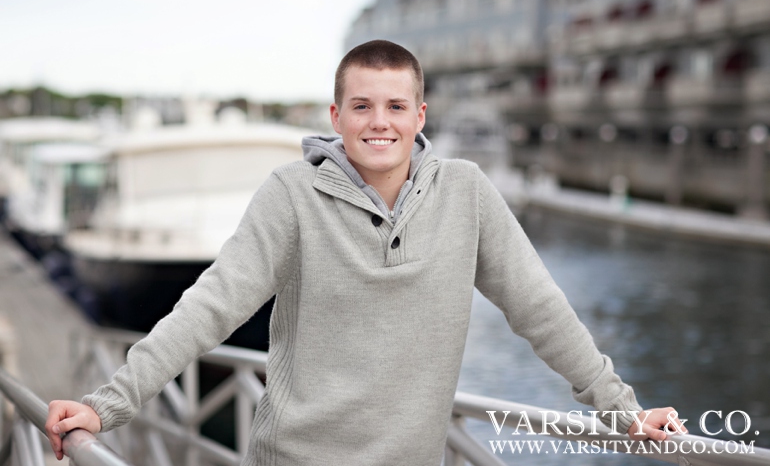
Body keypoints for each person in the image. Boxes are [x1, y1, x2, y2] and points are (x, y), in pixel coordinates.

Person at [46, 40, 685, 465]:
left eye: (395, 106)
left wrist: (623, 411)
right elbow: (208, 307)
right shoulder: (291, 194)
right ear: (337, 113)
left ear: (419, 114)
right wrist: (108, 405)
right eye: (362, 105)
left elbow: (541, 310)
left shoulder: (466, 192)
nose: (379, 121)